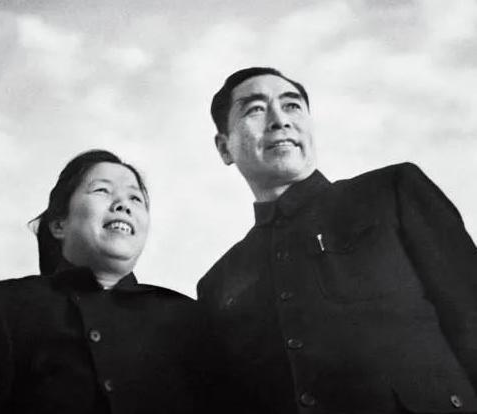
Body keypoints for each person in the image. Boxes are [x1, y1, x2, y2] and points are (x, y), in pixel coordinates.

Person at [197, 67, 477, 413]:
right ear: (224, 148)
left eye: (292, 106)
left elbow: (470, 312)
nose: (279, 120)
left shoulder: (391, 191)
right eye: (255, 109)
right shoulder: (217, 284)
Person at [0, 149, 216, 414]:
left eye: (135, 198)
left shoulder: (187, 318)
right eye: (102, 190)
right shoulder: (6, 305)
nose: (123, 205)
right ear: (59, 224)